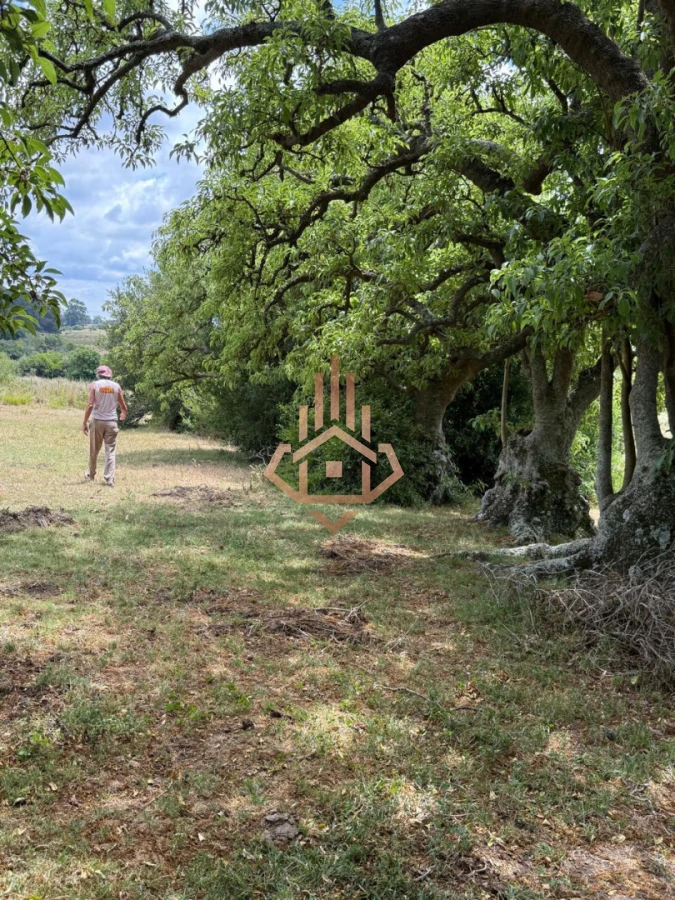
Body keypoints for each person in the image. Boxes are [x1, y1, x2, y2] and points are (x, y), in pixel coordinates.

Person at [83, 365, 127, 487]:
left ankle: (91, 475)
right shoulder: (116, 387)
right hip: (112, 422)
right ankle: (109, 478)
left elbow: (90, 405)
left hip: (97, 421)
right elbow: (123, 406)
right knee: (110, 451)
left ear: (99, 374)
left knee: (94, 450)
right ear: (110, 375)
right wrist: (123, 414)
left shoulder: (94, 385)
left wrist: (84, 422)